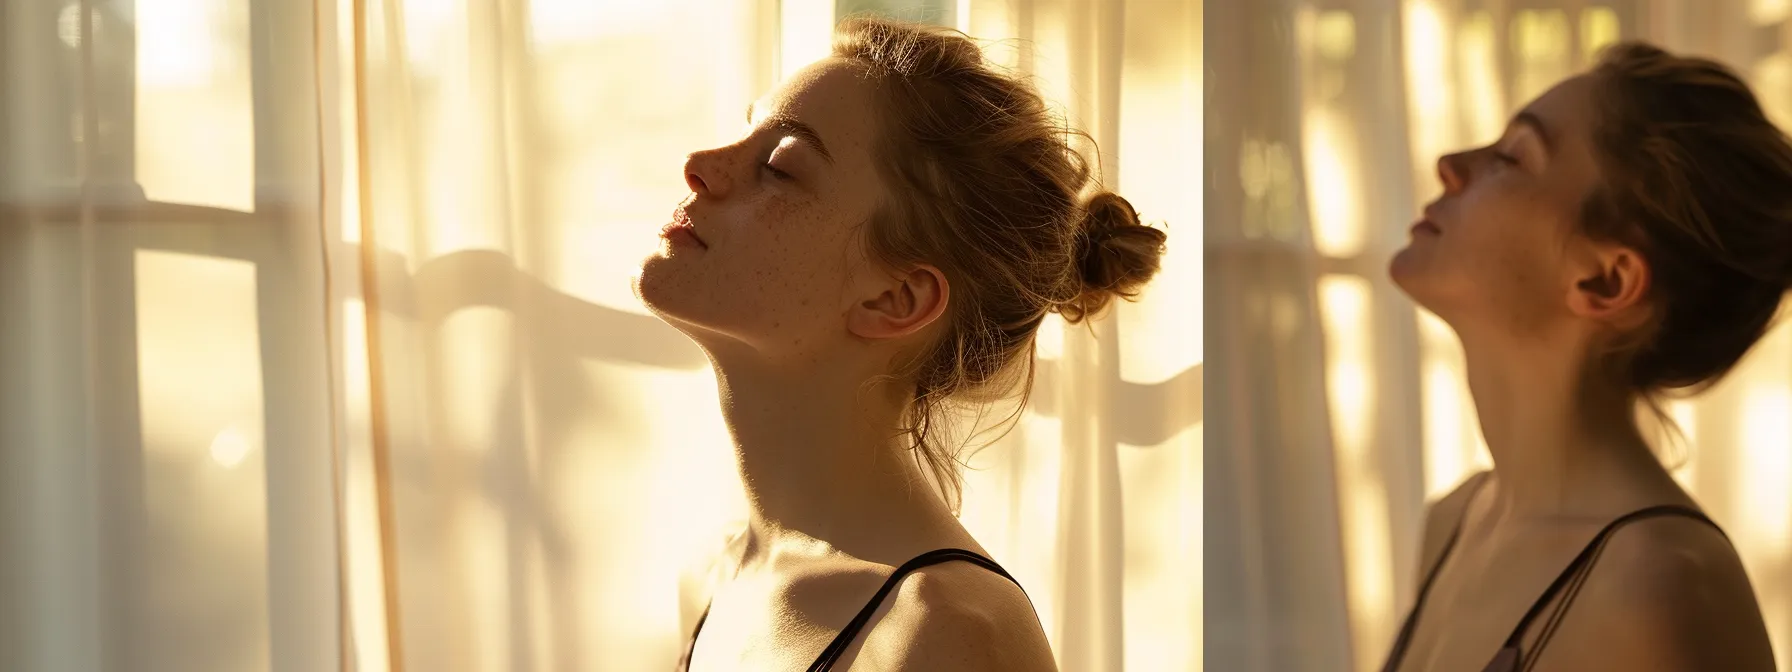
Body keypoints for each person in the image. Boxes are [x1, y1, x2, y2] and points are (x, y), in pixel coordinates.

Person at [634, 17, 1167, 672]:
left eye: (780, 167)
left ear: (895, 300)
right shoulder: (714, 579)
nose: (699, 167)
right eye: (745, 133)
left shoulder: (949, 634)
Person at [1383, 42, 1788, 672]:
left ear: (1606, 281)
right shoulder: (1454, 521)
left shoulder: (1665, 592)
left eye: (1513, 157)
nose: (1450, 164)